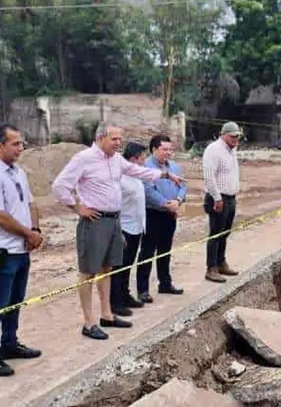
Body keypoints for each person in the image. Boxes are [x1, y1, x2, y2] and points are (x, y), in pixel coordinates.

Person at [51, 123, 184, 341]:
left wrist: (166, 176)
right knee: (88, 272)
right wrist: (77, 207)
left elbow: (138, 171)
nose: (119, 143)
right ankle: (89, 322)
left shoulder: (115, 160)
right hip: (95, 221)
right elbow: (59, 186)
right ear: (101, 138)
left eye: (120, 139)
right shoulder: (83, 159)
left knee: (107, 268)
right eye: (115, 139)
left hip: (114, 221)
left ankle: (107, 314)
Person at [0, 123, 45, 377]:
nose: (21, 148)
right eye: (15, 144)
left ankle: (9, 343)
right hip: (1, 251)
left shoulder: (17, 172)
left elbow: (31, 202)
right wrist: (27, 233)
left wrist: (35, 230)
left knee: (15, 301)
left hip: (21, 249)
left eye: (21, 143)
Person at [136, 134, 187, 301]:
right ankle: (142, 290)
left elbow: (182, 186)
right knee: (147, 251)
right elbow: (148, 191)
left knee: (165, 250)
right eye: (164, 149)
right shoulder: (146, 167)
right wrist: (166, 203)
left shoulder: (174, 167)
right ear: (154, 149)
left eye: (170, 149)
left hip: (171, 214)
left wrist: (178, 200)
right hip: (153, 213)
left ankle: (165, 283)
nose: (168, 153)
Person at [110, 141, 148, 316]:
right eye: (142, 157)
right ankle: (115, 302)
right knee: (119, 266)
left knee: (128, 265)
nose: (144, 160)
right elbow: (115, 205)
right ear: (133, 159)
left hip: (136, 227)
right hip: (124, 227)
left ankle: (125, 295)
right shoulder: (120, 178)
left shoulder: (136, 176)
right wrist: (117, 231)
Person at [202, 121, 242, 283]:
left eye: (237, 137)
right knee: (215, 233)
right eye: (232, 137)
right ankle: (211, 268)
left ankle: (221, 262)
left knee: (225, 232)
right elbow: (209, 177)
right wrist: (217, 198)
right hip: (217, 198)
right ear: (223, 135)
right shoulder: (214, 150)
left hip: (230, 197)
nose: (235, 140)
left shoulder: (232, 151)